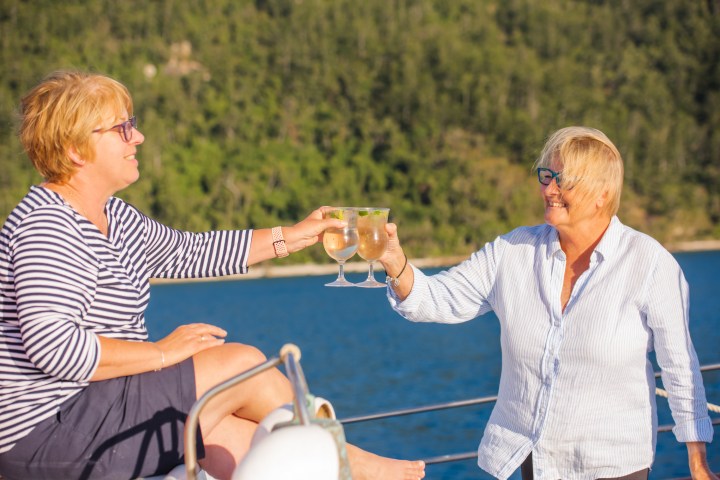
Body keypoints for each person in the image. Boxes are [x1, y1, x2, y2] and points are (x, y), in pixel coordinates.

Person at [0, 70, 426, 480]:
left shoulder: (113, 215)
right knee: (242, 363)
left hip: (95, 412)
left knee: (234, 440)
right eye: (122, 129)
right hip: (47, 434)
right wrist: (164, 354)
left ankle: (340, 468)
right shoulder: (47, 227)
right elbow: (52, 346)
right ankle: (349, 463)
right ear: (76, 149)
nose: (139, 137)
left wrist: (293, 237)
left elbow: (190, 252)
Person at [379, 126, 717, 480]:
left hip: (614, 466)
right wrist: (394, 262)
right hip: (535, 464)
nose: (549, 189)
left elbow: (680, 366)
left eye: (564, 180)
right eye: (547, 176)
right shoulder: (512, 251)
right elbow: (436, 300)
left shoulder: (649, 263)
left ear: (602, 194)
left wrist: (697, 463)